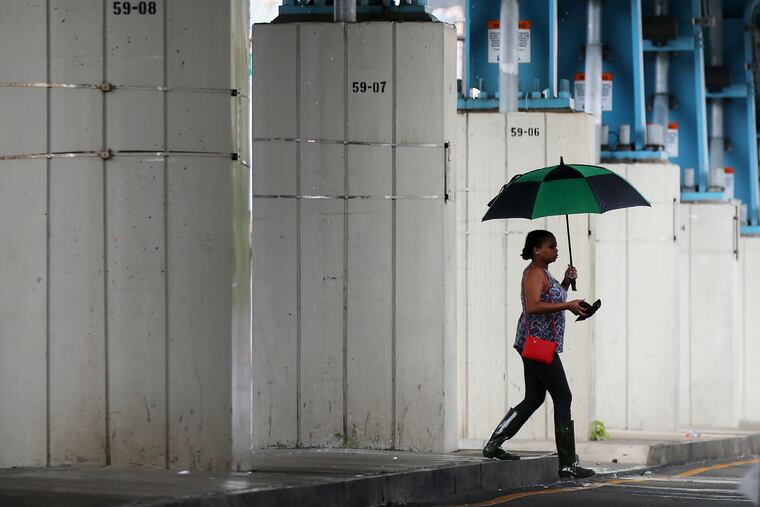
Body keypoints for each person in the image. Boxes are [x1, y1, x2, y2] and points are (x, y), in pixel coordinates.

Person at [481, 229, 595, 479]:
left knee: (534, 398)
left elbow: (550, 299)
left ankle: (494, 443)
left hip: (540, 344)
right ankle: (567, 464)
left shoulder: (544, 273)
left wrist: (565, 282)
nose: (556, 251)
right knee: (563, 397)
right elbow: (533, 306)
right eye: (551, 247)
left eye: (555, 247)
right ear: (537, 250)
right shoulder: (533, 272)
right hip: (537, 345)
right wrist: (568, 304)